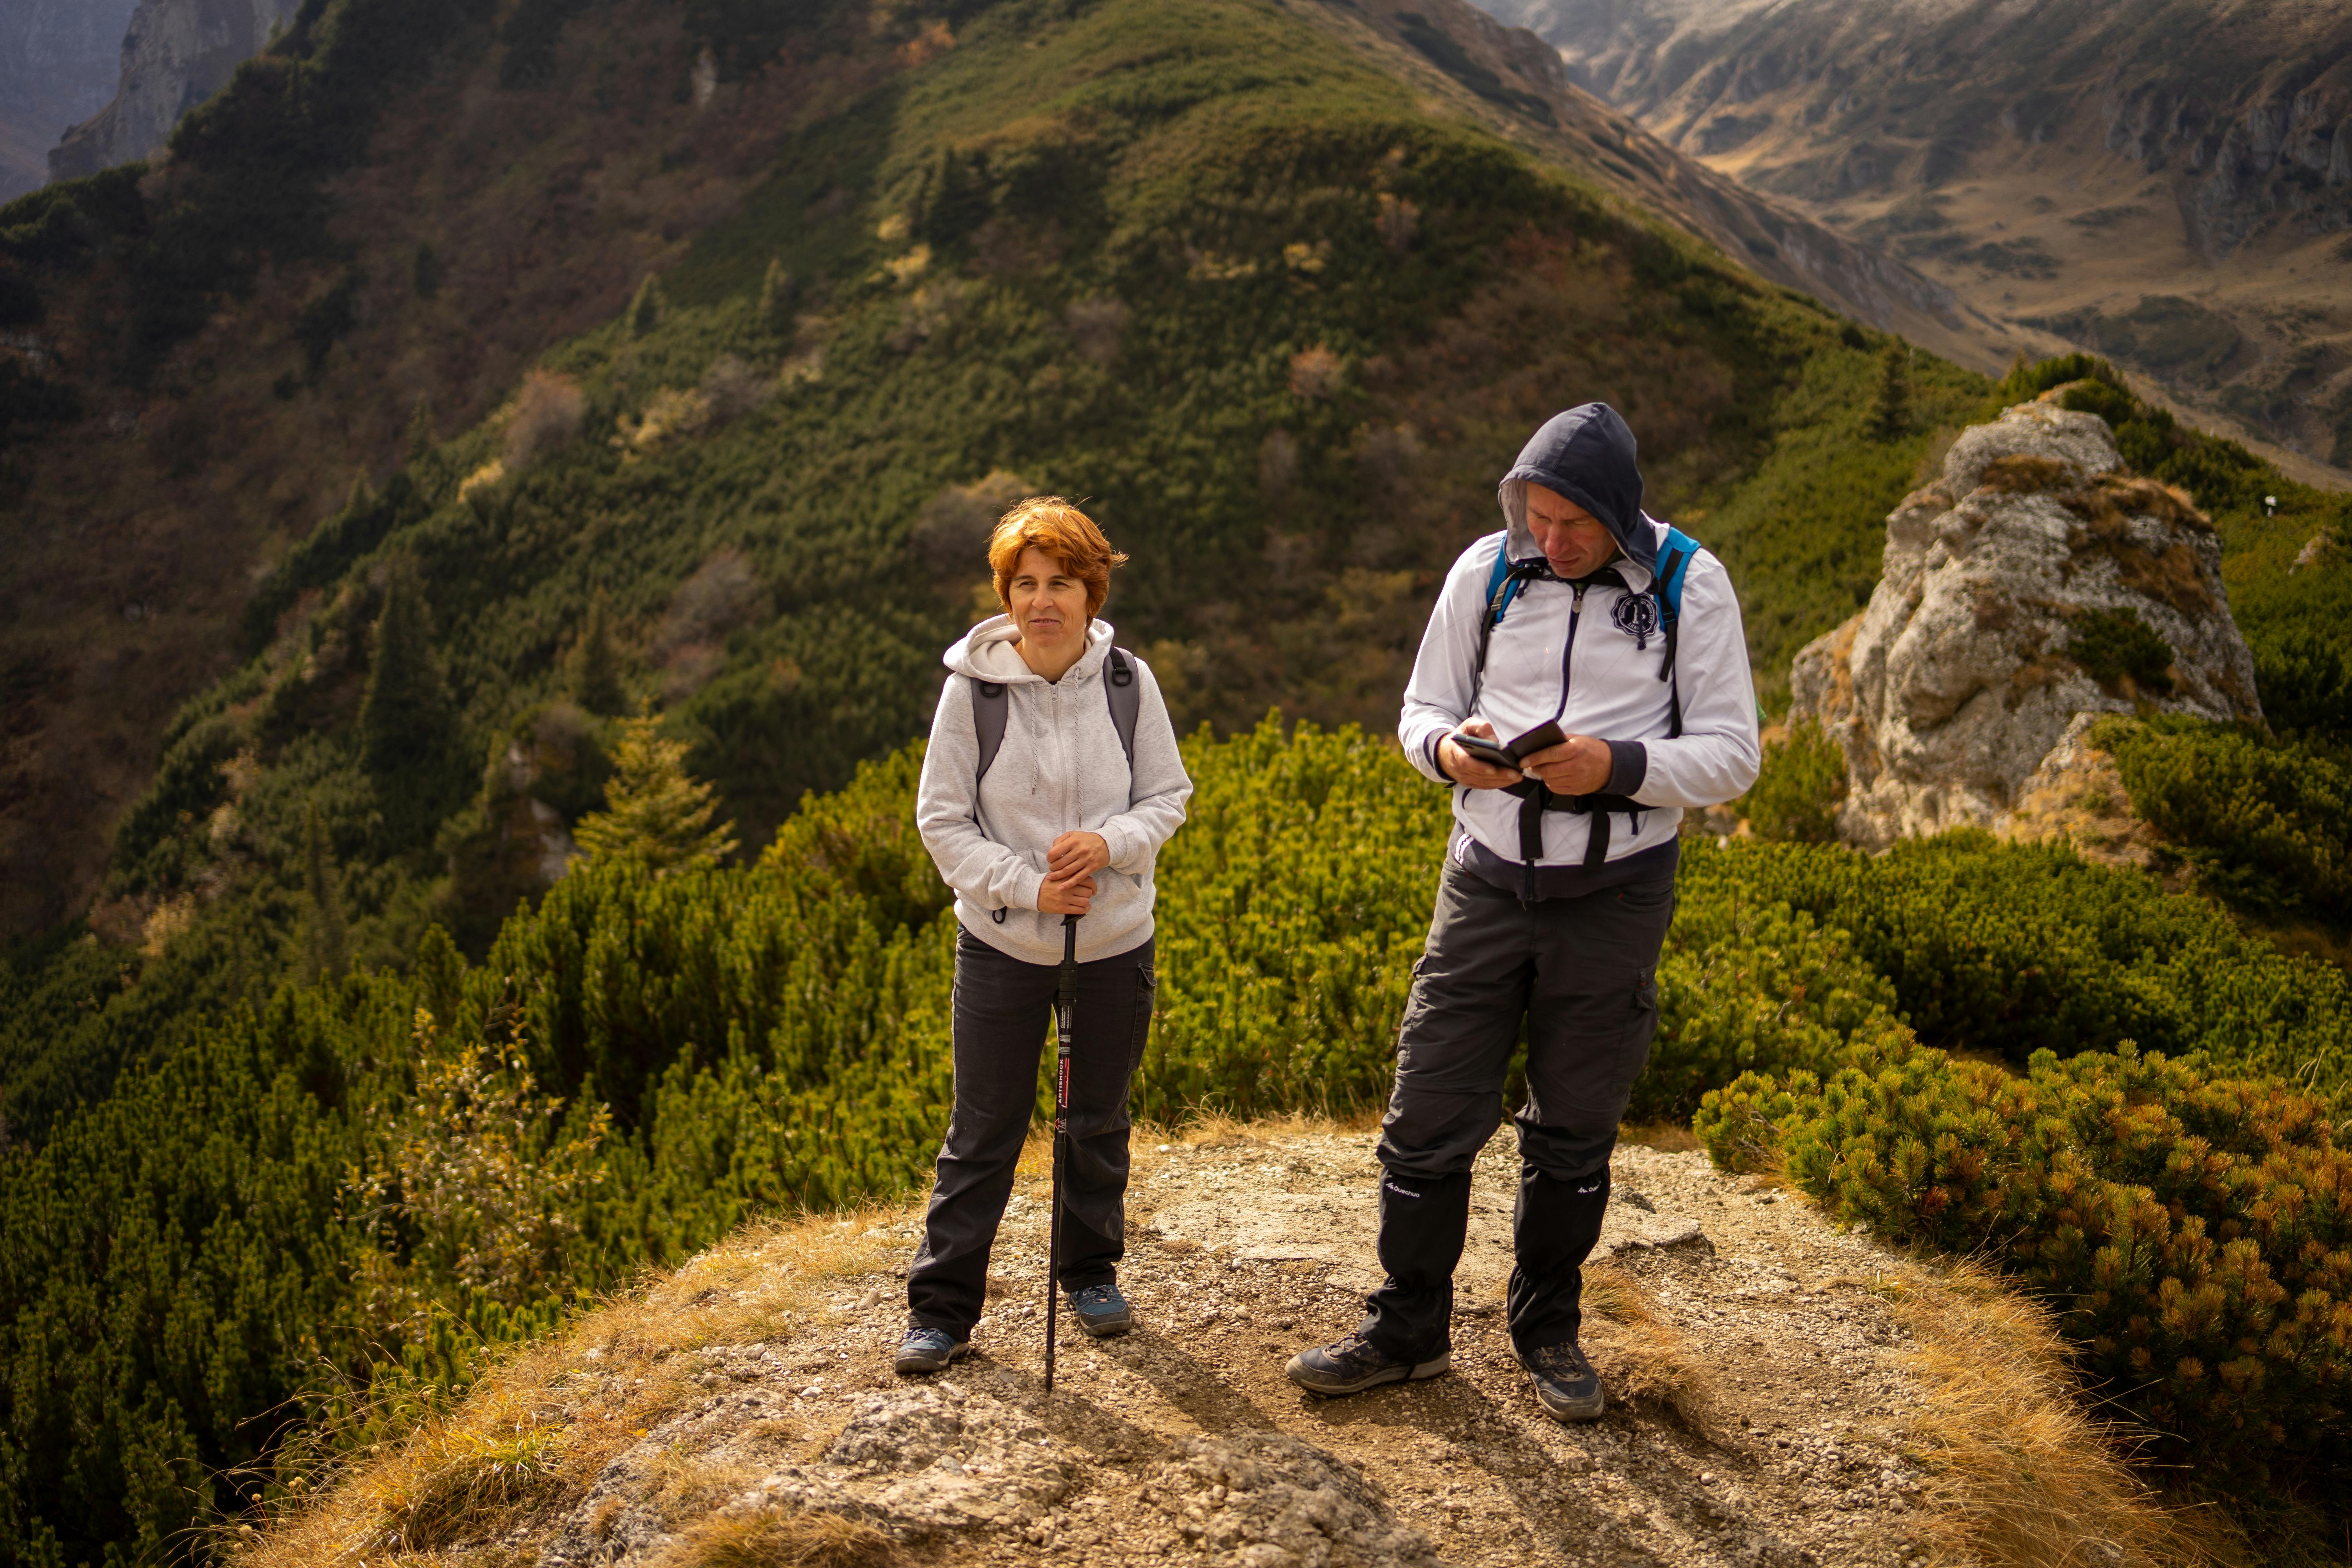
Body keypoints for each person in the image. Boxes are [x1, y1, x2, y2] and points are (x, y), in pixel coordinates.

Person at [1286, 403, 1759, 1421]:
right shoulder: (1488, 572)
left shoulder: (1689, 585)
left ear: (1620, 513)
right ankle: (1407, 1328)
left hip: (1617, 894)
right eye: (1535, 518)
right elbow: (1419, 710)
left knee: (1574, 1130)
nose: (1549, 540)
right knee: (1425, 1115)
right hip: (1487, 881)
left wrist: (1616, 766)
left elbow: (1734, 755)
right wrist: (1449, 754)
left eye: (1573, 525)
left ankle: (1547, 1332)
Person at [897, 496, 1192, 1374]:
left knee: (1095, 1117)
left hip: (1112, 944)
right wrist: (1029, 887)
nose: (1042, 600)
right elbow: (941, 822)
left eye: (1061, 581)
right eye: (1024, 583)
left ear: (1092, 591)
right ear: (1006, 594)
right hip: (1001, 948)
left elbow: (1168, 797)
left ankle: (1091, 1270)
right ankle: (942, 1311)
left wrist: (1109, 844)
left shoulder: (1128, 684)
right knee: (983, 1127)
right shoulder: (973, 692)